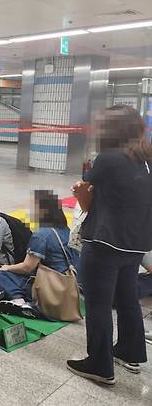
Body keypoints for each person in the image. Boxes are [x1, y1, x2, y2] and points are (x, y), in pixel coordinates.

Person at [67, 105, 152, 384]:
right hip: (136, 243)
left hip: (105, 243)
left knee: (98, 303)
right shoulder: (147, 158)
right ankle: (130, 351)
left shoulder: (108, 159)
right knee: (128, 298)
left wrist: (79, 193)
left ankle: (99, 364)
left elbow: (87, 199)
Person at [0, 190, 80, 318]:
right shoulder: (66, 230)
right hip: (67, 285)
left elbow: (27, 267)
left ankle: (19, 300)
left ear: (43, 210)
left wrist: (6, 268)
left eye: (33, 207)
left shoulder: (41, 235)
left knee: (0, 276)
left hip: (48, 285)